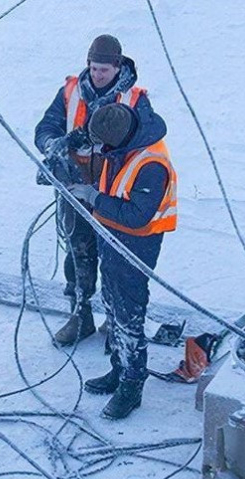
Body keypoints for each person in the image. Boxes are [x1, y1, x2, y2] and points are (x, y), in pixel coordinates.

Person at [35, 34, 154, 346]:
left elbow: (144, 138)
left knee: (114, 255)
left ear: (117, 66)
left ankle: (115, 321)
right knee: (78, 252)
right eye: (94, 68)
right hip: (74, 186)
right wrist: (53, 145)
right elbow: (46, 127)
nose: (98, 74)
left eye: (104, 69)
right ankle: (81, 313)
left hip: (113, 190)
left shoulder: (134, 98)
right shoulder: (71, 91)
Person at [68, 103, 177, 419]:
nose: (100, 151)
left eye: (104, 146)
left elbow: (137, 215)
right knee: (112, 305)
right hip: (111, 238)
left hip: (135, 245)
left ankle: (132, 384)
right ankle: (119, 367)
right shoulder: (122, 143)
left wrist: (94, 198)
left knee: (129, 314)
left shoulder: (151, 164)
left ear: (120, 140)